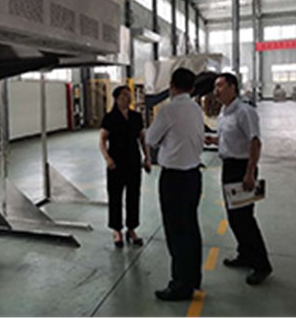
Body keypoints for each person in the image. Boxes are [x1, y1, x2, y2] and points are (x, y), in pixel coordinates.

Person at [205, 73, 273, 285]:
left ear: (233, 87)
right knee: (234, 217)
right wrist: (213, 140)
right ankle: (245, 255)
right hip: (228, 167)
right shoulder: (224, 112)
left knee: (245, 219)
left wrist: (250, 172)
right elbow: (229, 139)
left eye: (220, 86)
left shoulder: (245, 112)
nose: (216, 91)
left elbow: (255, 142)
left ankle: (262, 265)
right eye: (215, 87)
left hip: (242, 168)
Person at [146, 68, 205, 301]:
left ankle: (180, 285)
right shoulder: (197, 109)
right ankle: (193, 278)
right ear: (192, 88)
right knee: (191, 227)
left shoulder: (168, 110)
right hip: (193, 176)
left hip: (174, 179)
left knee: (176, 231)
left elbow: (151, 139)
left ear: (172, 85)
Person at [99, 85, 151, 248]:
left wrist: (147, 158)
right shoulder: (110, 117)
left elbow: (143, 139)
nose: (127, 98)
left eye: (129, 95)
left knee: (133, 196)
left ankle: (131, 229)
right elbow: (102, 140)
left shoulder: (136, 117)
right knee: (115, 196)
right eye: (124, 95)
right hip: (115, 163)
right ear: (116, 98)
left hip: (133, 161)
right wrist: (107, 158)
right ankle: (117, 230)